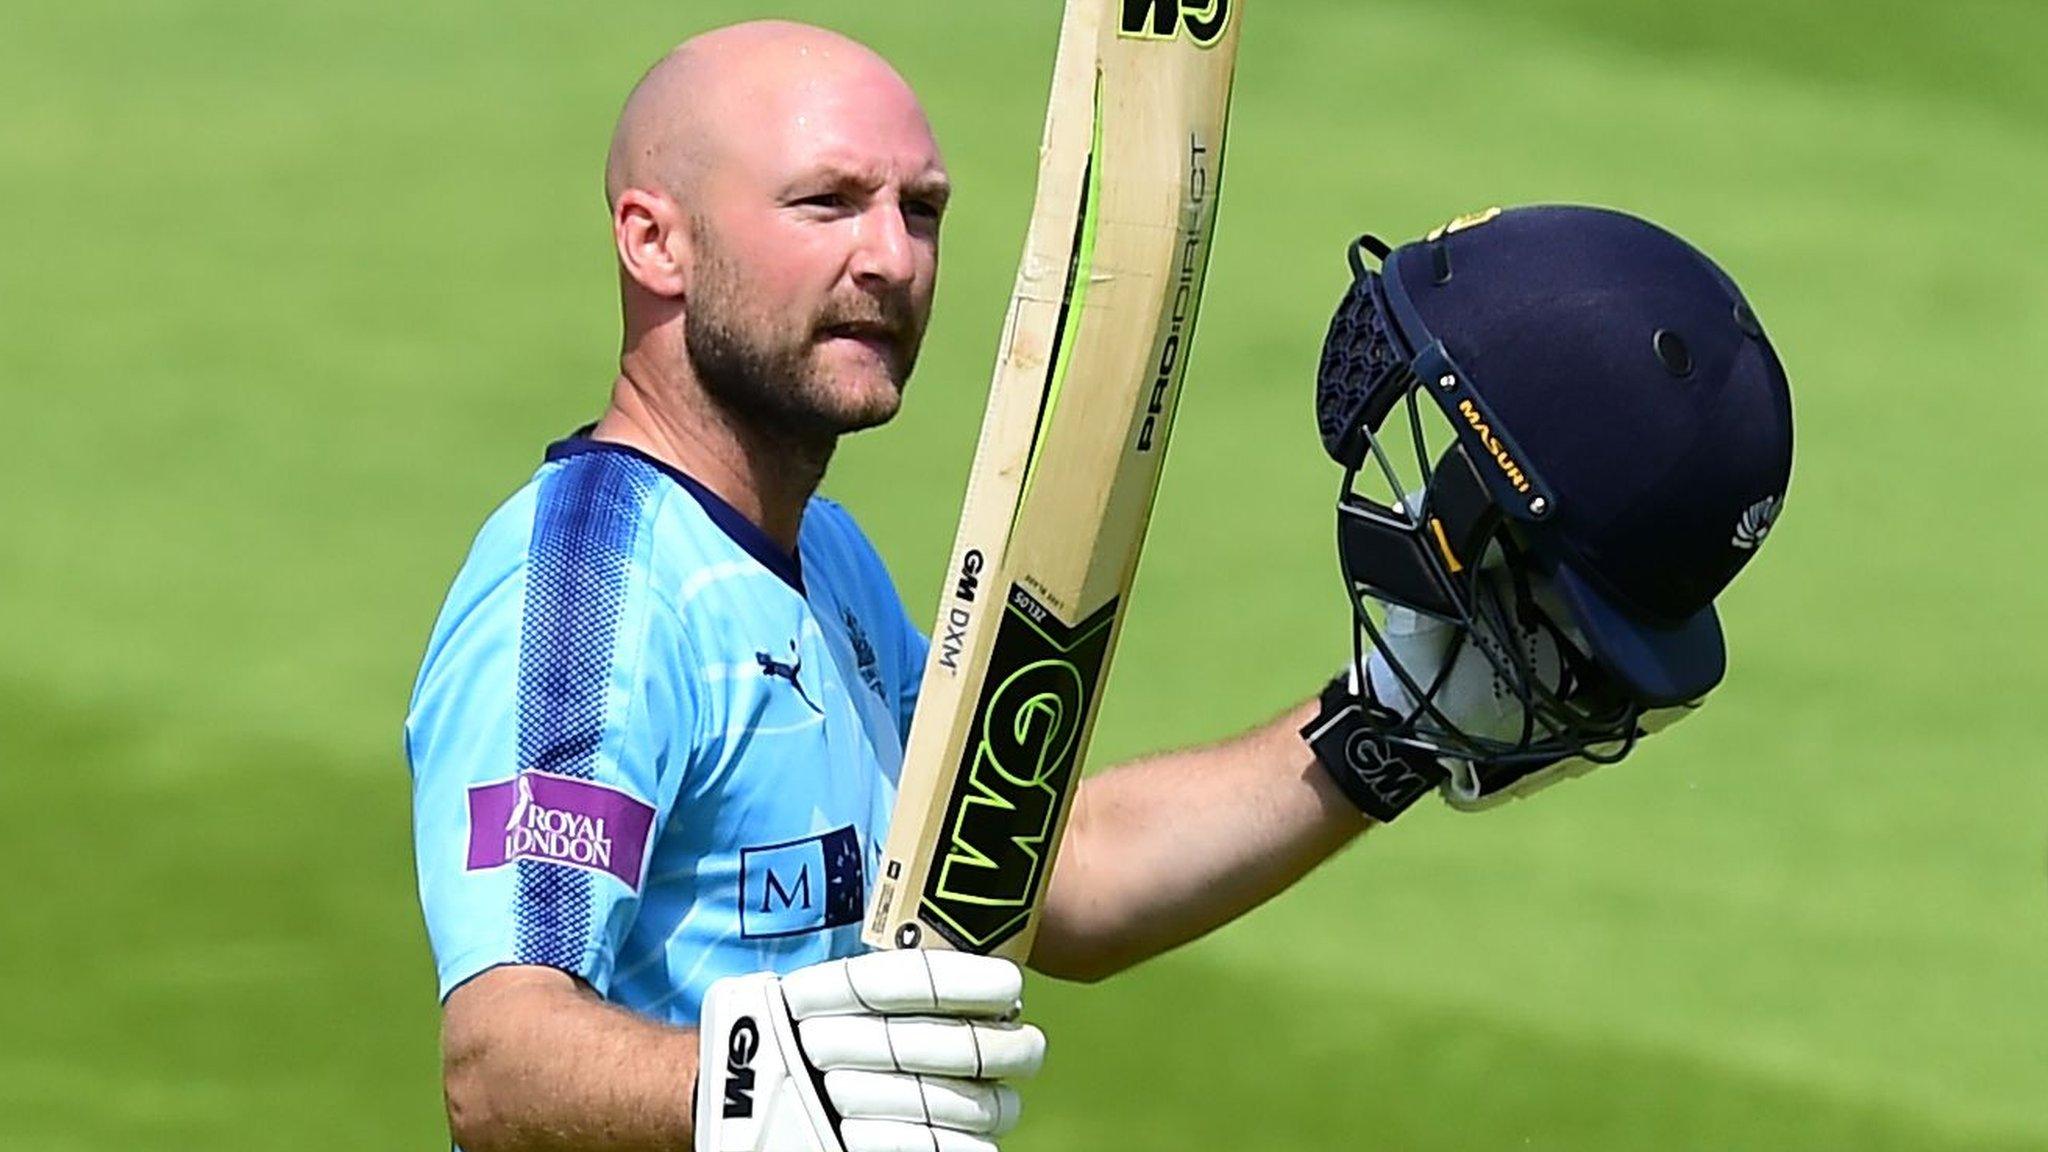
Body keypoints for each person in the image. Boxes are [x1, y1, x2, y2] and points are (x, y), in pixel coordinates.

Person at [404, 20, 1793, 1152]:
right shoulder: (586, 593)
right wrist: (760, 1086)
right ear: (655, 240)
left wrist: (1395, 720)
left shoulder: (819, 558)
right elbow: (500, 1065)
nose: (891, 256)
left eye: (922, 210)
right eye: (826, 203)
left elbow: (1041, 876)